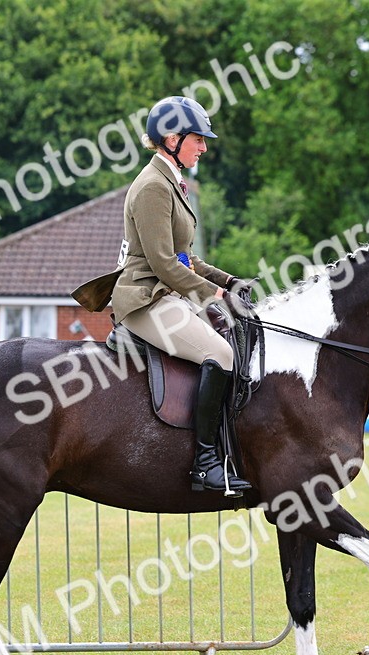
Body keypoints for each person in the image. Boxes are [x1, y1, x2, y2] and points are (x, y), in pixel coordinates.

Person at [111, 95, 252, 497]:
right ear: (172, 138)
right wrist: (216, 296)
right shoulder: (152, 187)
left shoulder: (171, 181)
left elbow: (184, 257)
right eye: (198, 139)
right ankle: (205, 463)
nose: (204, 147)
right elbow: (162, 264)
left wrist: (230, 281)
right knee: (220, 355)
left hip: (166, 294)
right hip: (144, 299)